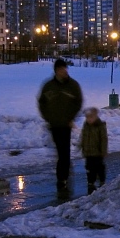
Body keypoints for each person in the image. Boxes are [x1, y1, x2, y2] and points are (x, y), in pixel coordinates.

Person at [37, 58, 83, 192]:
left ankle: (62, 178)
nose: (64, 71)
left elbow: (78, 102)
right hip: (54, 124)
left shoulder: (73, 85)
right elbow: (42, 103)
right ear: (56, 71)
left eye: (65, 69)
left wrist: (71, 117)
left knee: (65, 152)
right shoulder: (49, 86)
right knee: (61, 152)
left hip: (66, 124)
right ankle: (63, 174)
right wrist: (48, 118)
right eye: (61, 69)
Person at [79, 106, 108, 194]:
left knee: (99, 167)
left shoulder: (100, 126)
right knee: (89, 167)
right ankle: (91, 181)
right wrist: (81, 146)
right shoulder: (86, 126)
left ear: (95, 117)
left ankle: (102, 180)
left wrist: (103, 150)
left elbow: (104, 139)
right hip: (88, 152)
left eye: (91, 117)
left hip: (97, 152)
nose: (89, 119)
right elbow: (83, 137)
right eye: (87, 117)